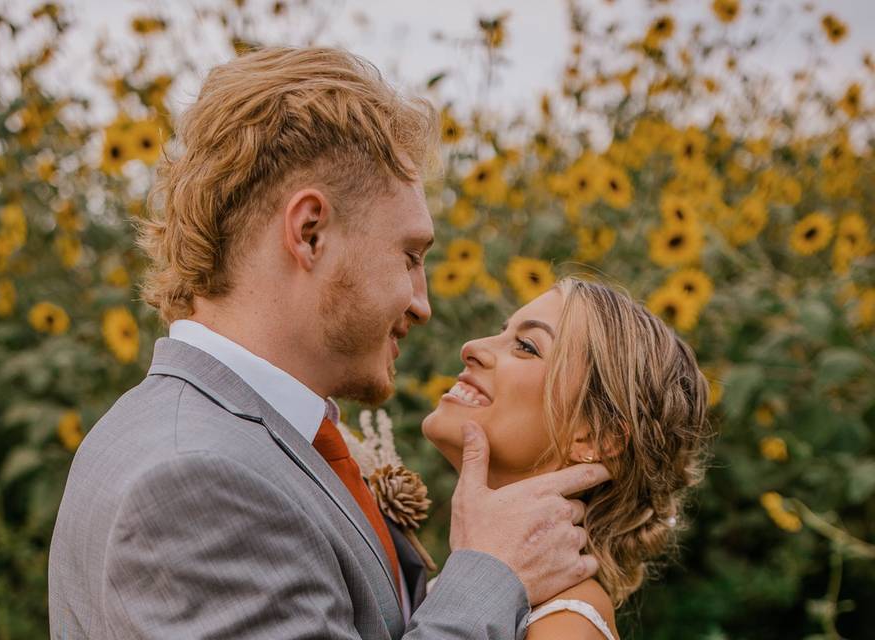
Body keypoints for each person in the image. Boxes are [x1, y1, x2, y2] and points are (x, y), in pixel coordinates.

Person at [47, 47, 610, 639]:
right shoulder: (198, 476)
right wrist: (492, 574)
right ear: (310, 233)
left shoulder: (246, 436)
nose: (422, 303)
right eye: (410, 257)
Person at [422, 277, 711, 639]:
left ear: (597, 437)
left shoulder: (565, 627)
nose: (472, 347)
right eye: (501, 331)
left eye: (526, 346)